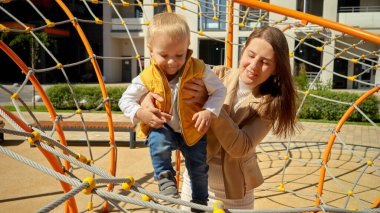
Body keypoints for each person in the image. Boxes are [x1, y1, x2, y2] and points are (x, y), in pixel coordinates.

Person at [140, 26, 297, 210]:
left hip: (235, 192)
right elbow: (168, 86)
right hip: (196, 180)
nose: (254, 66)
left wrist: (210, 105)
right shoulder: (218, 75)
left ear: (276, 69)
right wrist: (145, 99)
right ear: (243, 50)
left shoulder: (271, 103)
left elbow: (240, 147)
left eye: (265, 62)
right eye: (251, 55)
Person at [118, 12, 227, 209]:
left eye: (179, 55)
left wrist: (208, 111)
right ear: (151, 52)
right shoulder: (148, 75)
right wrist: (141, 113)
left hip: (192, 129)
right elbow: (125, 100)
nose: (172, 62)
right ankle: (165, 178)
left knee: (198, 167)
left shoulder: (198, 68)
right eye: (164, 55)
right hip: (164, 126)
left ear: (187, 49)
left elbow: (220, 90)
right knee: (157, 141)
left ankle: (200, 200)